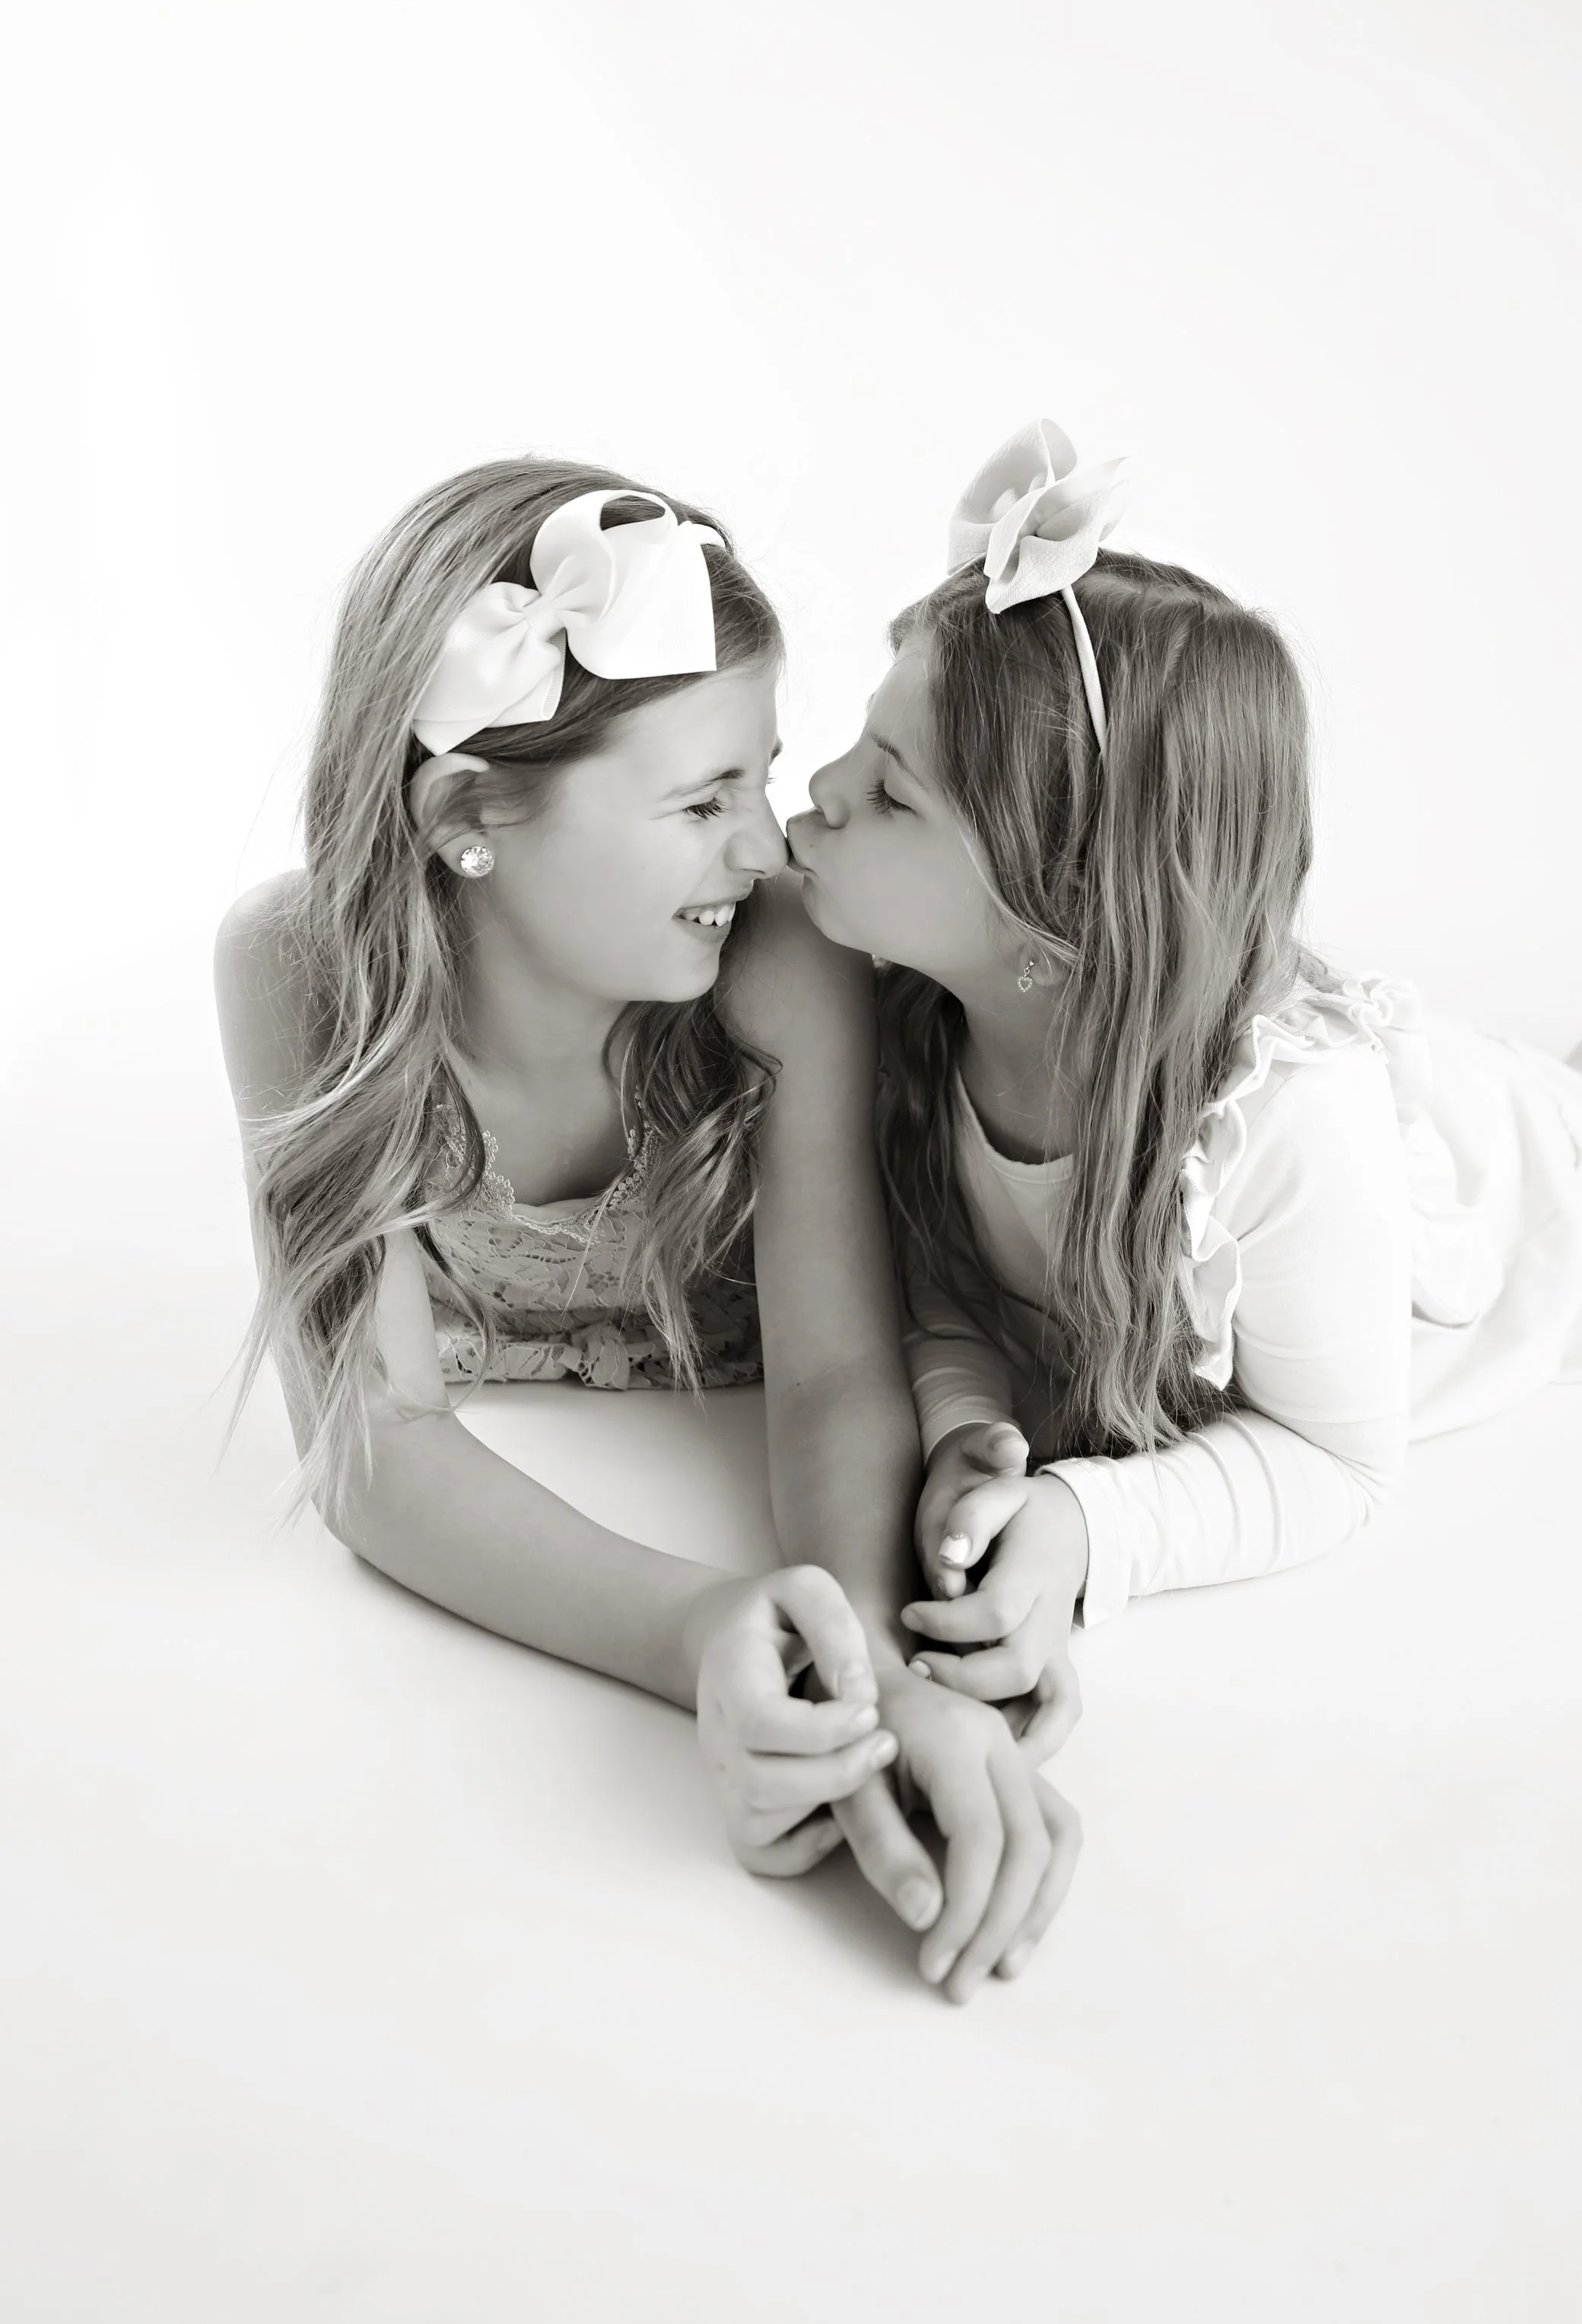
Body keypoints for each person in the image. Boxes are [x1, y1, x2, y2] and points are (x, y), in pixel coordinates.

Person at [214, 459, 1078, 2005]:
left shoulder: (776, 964)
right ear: (469, 814)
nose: (766, 846)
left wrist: (868, 1667)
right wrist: (703, 1634)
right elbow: (379, 1444)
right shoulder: (301, 972)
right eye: (700, 802)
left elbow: (827, 1375)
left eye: (761, 773)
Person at [786, 427, 1582, 1713]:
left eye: (892, 791)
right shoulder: (913, 1022)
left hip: (1480, 1170)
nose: (816, 783)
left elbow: (1337, 1463)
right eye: (860, 748)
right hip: (1283, 1064)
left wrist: (1089, 1524)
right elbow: (951, 1299)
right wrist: (968, 1431)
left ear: (1056, 908)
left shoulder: (1286, 1126)